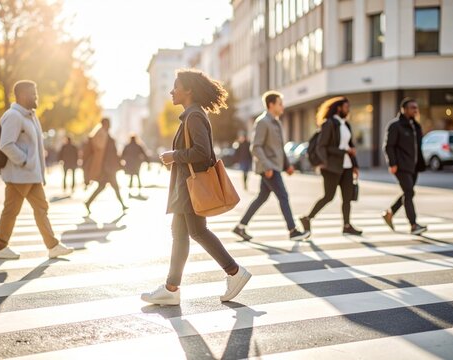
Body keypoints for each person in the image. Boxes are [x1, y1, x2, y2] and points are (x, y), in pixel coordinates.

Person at [141, 69, 251, 305]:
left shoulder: (194, 117)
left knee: (197, 231)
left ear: (188, 90)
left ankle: (234, 271)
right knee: (180, 234)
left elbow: (202, 153)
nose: (172, 91)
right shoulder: (191, 116)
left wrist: (174, 155)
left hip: (190, 188)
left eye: (176, 86)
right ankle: (171, 288)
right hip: (185, 189)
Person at [0, 80, 74, 259]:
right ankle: (0, 247)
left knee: (40, 208)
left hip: (30, 175)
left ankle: (52, 245)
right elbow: (5, 144)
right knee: (13, 210)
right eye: (33, 93)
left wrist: (36, 169)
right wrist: (24, 161)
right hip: (19, 175)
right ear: (22, 95)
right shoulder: (14, 116)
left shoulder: (30, 115)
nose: (36, 96)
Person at [233, 91, 310, 242]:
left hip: (274, 166)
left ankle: (240, 226)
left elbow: (280, 148)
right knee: (283, 196)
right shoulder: (263, 122)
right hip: (269, 168)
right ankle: (293, 230)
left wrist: (287, 165)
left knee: (262, 197)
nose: (283, 106)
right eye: (280, 103)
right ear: (271, 105)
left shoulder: (276, 122)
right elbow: (255, 147)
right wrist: (267, 166)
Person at [299, 96, 362, 236]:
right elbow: (322, 146)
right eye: (346, 107)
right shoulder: (329, 123)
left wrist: (355, 165)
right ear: (339, 108)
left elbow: (350, 146)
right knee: (329, 196)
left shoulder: (346, 124)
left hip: (347, 166)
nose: (348, 110)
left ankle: (347, 225)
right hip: (331, 167)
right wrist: (328, 161)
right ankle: (307, 218)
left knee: (347, 198)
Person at [381, 98, 428, 235]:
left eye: (416, 107)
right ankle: (413, 225)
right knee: (409, 192)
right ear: (404, 109)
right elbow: (388, 146)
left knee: (409, 192)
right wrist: (392, 163)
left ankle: (389, 213)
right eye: (412, 107)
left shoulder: (416, 126)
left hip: (413, 166)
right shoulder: (395, 125)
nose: (415, 110)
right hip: (401, 165)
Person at [83, 117, 127, 214]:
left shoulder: (101, 136)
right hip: (108, 168)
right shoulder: (104, 137)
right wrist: (119, 163)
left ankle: (88, 202)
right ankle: (122, 205)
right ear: (105, 124)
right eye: (108, 123)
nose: (110, 126)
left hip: (106, 167)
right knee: (114, 186)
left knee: (102, 187)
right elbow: (112, 153)